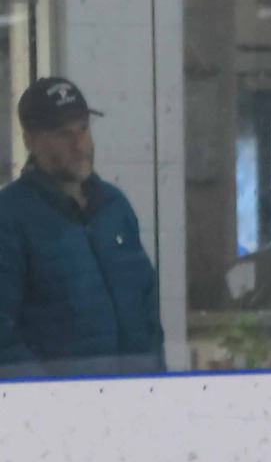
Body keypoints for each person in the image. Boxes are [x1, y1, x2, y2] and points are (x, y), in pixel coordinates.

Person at [0, 77, 163, 377]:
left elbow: (147, 310)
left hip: (137, 404)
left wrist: (156, 382)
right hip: (57, 414)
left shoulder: (115, 208)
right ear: (30, 141)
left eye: (83, 129)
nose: (79, 145)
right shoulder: (10, 217)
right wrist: (50, 399)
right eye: (64, 134)